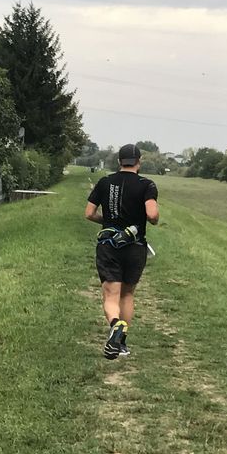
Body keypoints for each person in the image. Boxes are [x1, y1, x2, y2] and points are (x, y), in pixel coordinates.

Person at [84, 143, 159, 360]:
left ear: (119, 162)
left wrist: (106, 221)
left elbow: (89, 213)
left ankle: (115, 326)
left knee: (111, 294)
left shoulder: (105, 182)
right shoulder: (147, 185)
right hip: (135, 247)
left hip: (109, 246)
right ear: (139, 162)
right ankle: (122, 344)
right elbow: (152, 215)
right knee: (127, 294)